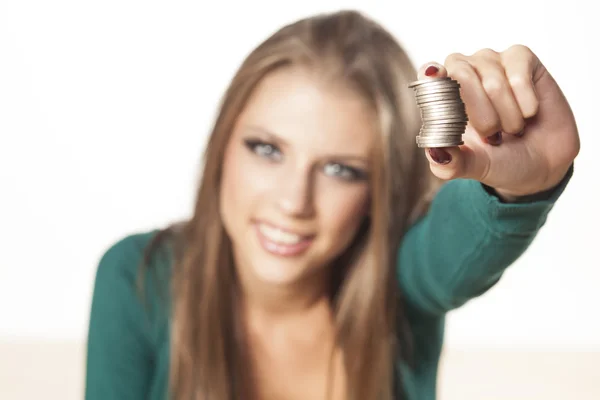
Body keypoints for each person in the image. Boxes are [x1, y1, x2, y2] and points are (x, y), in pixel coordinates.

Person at [84, 9, 579, 400]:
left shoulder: (399, 279)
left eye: (341, 169)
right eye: (267, 149)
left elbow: (458, 241)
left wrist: (522, 185)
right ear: (222, 145)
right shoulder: (140, 277)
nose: (293, 201)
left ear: (379, 192)